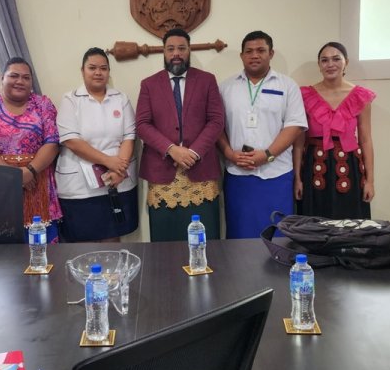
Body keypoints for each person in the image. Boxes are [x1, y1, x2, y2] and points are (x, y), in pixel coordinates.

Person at [136, 28, 225, 241]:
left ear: (189, 50)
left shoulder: (207, 80)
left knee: (204, 239)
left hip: (200, 169)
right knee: (165, 242)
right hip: (163, 172)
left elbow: (216, 120)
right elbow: (142, 124)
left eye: (181, 48)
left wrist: (193, 152)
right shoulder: (149, 84)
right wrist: (171, 149)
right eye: (171, 49)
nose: (176, 53)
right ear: (164, 52)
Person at [217, 31, 307, 239]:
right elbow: (216, 127)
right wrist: (230, 154)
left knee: (277, 237)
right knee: (240, 237)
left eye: (261, 50)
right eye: (249, 51)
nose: (254, 55)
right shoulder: (226, 87)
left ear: (271, 53)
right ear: (241, 56)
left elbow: (294, 126)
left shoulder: (287, 86)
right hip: (238, 175)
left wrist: (267, 155)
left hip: (276, 174)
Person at [0, 57, 62, 242]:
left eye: (26, 78)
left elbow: (52, 143)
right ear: (2, 78)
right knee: (4, 250)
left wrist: (30, 171)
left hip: (38, 183)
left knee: (42, 247)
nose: (20, 81)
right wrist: (14, 176)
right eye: (14, 76)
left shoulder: (43, 104)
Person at [55, 47, 138, 242]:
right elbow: (72, 141)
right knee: (84, 243)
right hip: (80, 186)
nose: (98, 72)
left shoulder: (121, 98)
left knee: (113, 238)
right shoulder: (70, 100)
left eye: (103, 68)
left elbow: (129, 136)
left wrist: (119, 169)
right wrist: (110, 162)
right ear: (82, 70)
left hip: (117, 181)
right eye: (92, 68)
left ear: (109, 72)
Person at [293, 42, 375, 218]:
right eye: (324, 60)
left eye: (336, 59)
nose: (330, 64)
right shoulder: (305, 95)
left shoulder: (360, 96)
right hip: (314, 165)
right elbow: (299, 141)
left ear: (346, 62)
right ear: (319, 65)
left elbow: (365, 139)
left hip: (349, 166)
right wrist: (297, 178)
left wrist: (370, 181)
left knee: (349, 220)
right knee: (314, 221)